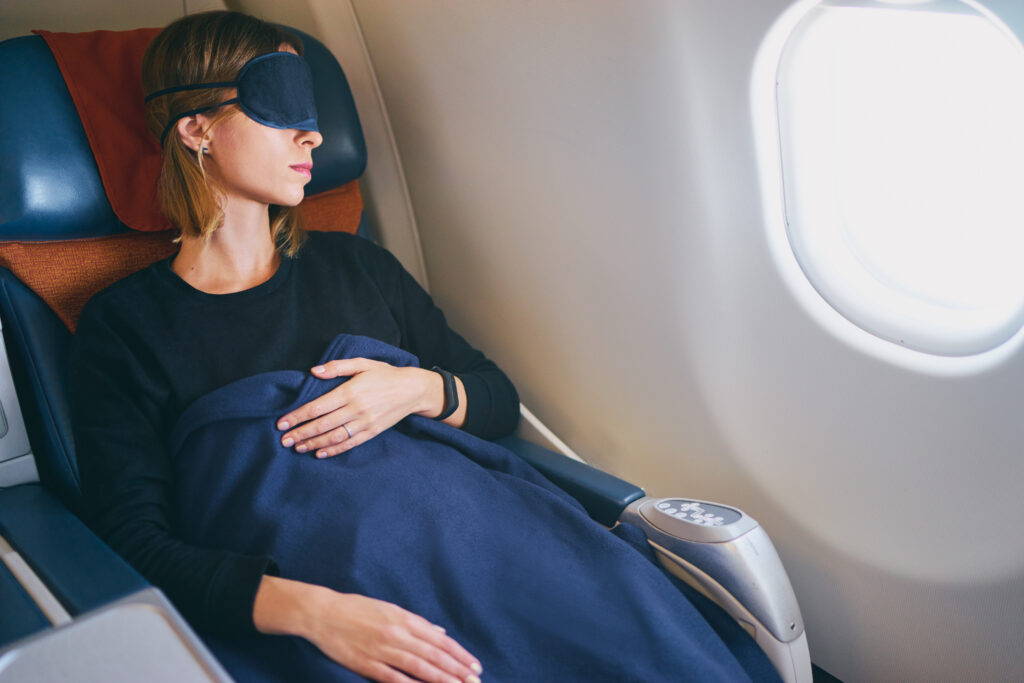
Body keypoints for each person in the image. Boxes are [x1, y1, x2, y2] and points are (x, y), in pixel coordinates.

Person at [72, 10, 776, 683]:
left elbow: (495, 397)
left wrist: (416, 389)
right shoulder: (124, 325)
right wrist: (315, 612)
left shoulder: (357, 267)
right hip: (328, 596)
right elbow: (132, 540)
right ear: (196, 128)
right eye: (281, 106)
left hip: (494, 544)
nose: (313, 136)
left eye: (312, 112)